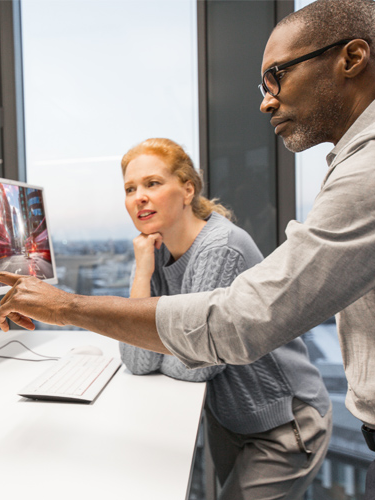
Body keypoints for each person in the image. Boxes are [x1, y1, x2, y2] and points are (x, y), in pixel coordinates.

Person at [0, 0, 375, 497]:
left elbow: (231, 330)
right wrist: (141, 277)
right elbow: (148, 358)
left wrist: (69, 307)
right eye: (129, 188)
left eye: (277, 76)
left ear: (352, 57)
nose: (266, 101)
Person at [119, 137, 331, 499]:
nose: (139, 197)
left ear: (187, 190)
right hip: (231, 419)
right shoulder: (155, 252)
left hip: (282, 421)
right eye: (130, 188)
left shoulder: (220, 247)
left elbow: (199, 366)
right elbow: (138, 360)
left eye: (153, 184)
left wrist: (164, 351)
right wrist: (142, 270)